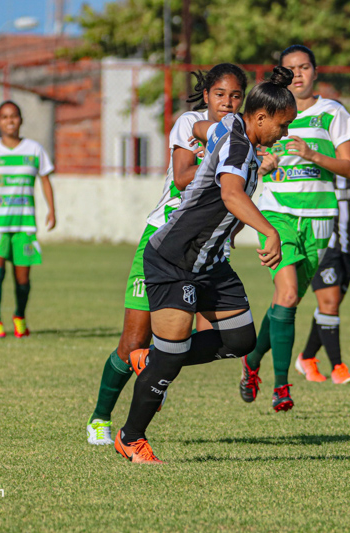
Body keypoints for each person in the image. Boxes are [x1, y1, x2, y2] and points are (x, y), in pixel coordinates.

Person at [113, 66, 296, 464]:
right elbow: (231, 194)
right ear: (261, 118)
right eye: (281, 126)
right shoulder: (239, 146)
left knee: (240, 340)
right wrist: (270, 232)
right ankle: (131, 437)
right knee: (174, 353)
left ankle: (156, 356)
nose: (282, 135)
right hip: (173, 257)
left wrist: (204, 131)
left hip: (209, 262)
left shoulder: (231, 125)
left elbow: (206, 128)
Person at [86, 64, 251, 445]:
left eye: (236, 96)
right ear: (206, 95)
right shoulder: (190, 123)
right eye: (220, 94)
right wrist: (225, 162)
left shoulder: (243, 134)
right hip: (161, 241)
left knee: (221, 336)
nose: (227, 102)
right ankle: (100, 417)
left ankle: (154, 371)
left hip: (204, 251)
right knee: (133, 341)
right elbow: (181, 177)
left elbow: (238, 198)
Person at [241, 45, 350, 411]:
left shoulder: (333, 113)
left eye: (304, 67)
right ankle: (281, 387)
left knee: (285, 301)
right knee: (289, 295)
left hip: (320, 218)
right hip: (276, 213)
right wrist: (263, 164)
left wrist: (312, 155)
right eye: (291, 69)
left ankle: (252, 361)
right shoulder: (269, 114)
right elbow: (247, 162)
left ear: (315, 70)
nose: (298, 74)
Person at [295, 145, 350, 383]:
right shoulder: (313, 150)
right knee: (330, 303)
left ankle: (307, 358)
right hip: (322, 240)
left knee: (330, 306)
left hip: (348, 245)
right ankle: (338, 368)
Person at [0, 101, 56, 339]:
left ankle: (19, 316)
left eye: (14, 116)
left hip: (24, 224)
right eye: (5, 117)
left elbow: (45, 180)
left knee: (23, 278)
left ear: (21, 120)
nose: (10, 121)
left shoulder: (34, 150)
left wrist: (52, 210)